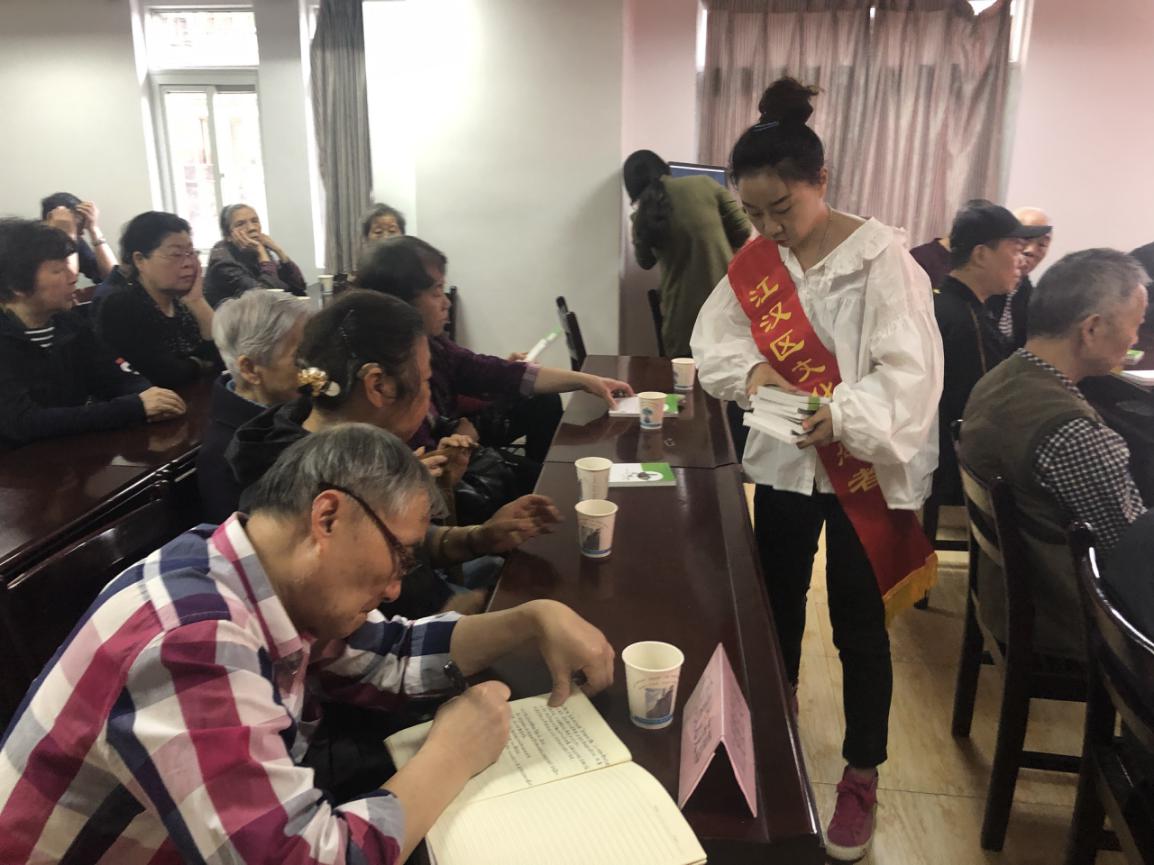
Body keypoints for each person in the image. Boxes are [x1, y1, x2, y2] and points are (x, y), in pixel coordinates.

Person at [0, 423, 615, 865]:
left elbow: (391, 655)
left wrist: (530, 619)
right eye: (400, 556)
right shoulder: (190, 642)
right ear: (328, 518)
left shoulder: (248, 566)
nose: (396, 587)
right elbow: (301, 857)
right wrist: (453, 753)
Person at [691, 77, 943, 861]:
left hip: (864, 470)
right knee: (776, 608)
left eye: (782, 209)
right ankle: (777, 725)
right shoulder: (758, 261)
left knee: (861, 629)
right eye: (754, 215)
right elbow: (713, 341)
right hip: (783, 465)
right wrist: (754, 373)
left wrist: (844, 414)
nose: (770, 229)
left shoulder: (882, 260)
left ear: (820, 180)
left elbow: (912, 373)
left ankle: (861, 772)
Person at [225, 289, 560, 618]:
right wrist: (484, 612)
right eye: (425, 381)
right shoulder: (317, 497)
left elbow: (408, 547)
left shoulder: (349, 447)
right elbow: (388, 632)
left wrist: (481, 536)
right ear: (378, 385)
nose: (428, 395)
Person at [960, 248, 1148, 659]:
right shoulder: (1072, 430)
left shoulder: (1001, 377)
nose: (1136, 340)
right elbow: (1134, 554)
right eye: (1136, 325)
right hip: (1068, 623)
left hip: (1005, 601)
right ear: (1092, 328)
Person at [356, 236, 632, 467]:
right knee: (536, 480)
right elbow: (420, 465)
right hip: (438, 477)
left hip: (455, 452)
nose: (447, 303)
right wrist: (460, 438)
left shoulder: (435, 345)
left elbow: (488, 370)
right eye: (437, 291)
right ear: (400, 303)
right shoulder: (386, 376)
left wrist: (586, 381)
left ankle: (543, 471)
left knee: (542, 403)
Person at [0, 219, 184, 449]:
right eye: (57, 270)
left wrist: (148, 395)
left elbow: (117, 375)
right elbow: (24, 422)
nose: (73, 276)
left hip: (69, 453)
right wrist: (132, 407)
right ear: (17, 286)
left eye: (68, 265)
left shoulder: (69, 324)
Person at [931, 202, 1045, 504]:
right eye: (1016, 249)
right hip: (953, 480)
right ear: (981, 255)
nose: (1022, 260)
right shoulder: (967, 323)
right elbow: (980, 415)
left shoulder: (945, 304)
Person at [198, 289, 314, 522]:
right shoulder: (224, 455)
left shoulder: (299, 407)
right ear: (250, 369)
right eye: (300, 357)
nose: (313, 367)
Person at [622, 150, 751, 359]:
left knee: (684, 376)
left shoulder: (642, 215)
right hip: (726, 308)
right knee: (729, 370)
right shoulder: (705, 184)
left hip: (681, 321)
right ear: (664, 168)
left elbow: (645, 262)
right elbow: (743, 229)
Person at [96, 211, 222, 388]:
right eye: (176, 254)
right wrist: (201, 364)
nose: (188, 263)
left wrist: (197, 301)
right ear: (140, 260)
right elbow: (167, 376)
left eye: (191, 252)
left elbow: (226, 356)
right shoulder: (122, 306)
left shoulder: (183, 302)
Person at [204, 203, 308, 307]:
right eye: (240, 224)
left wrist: (279, 251)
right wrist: (261, 252)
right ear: (228, 236)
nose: (251, 228)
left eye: (255, 221)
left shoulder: (255, 249)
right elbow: (263, 297)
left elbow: (298, 288)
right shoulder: (222, 259)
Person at [987, 206, 1053, 349]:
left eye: (1042, 244)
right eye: (1025, 238)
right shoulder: (981, 288)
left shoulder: (1034, 300)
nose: (1031, 250)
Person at [40, 191, 118, 293]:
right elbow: (66, 278)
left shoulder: (77, 241)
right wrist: (69, 235)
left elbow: (114, 278)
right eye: (76, 226)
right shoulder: (30, 242)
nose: (81, 233)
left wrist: (93, 229)